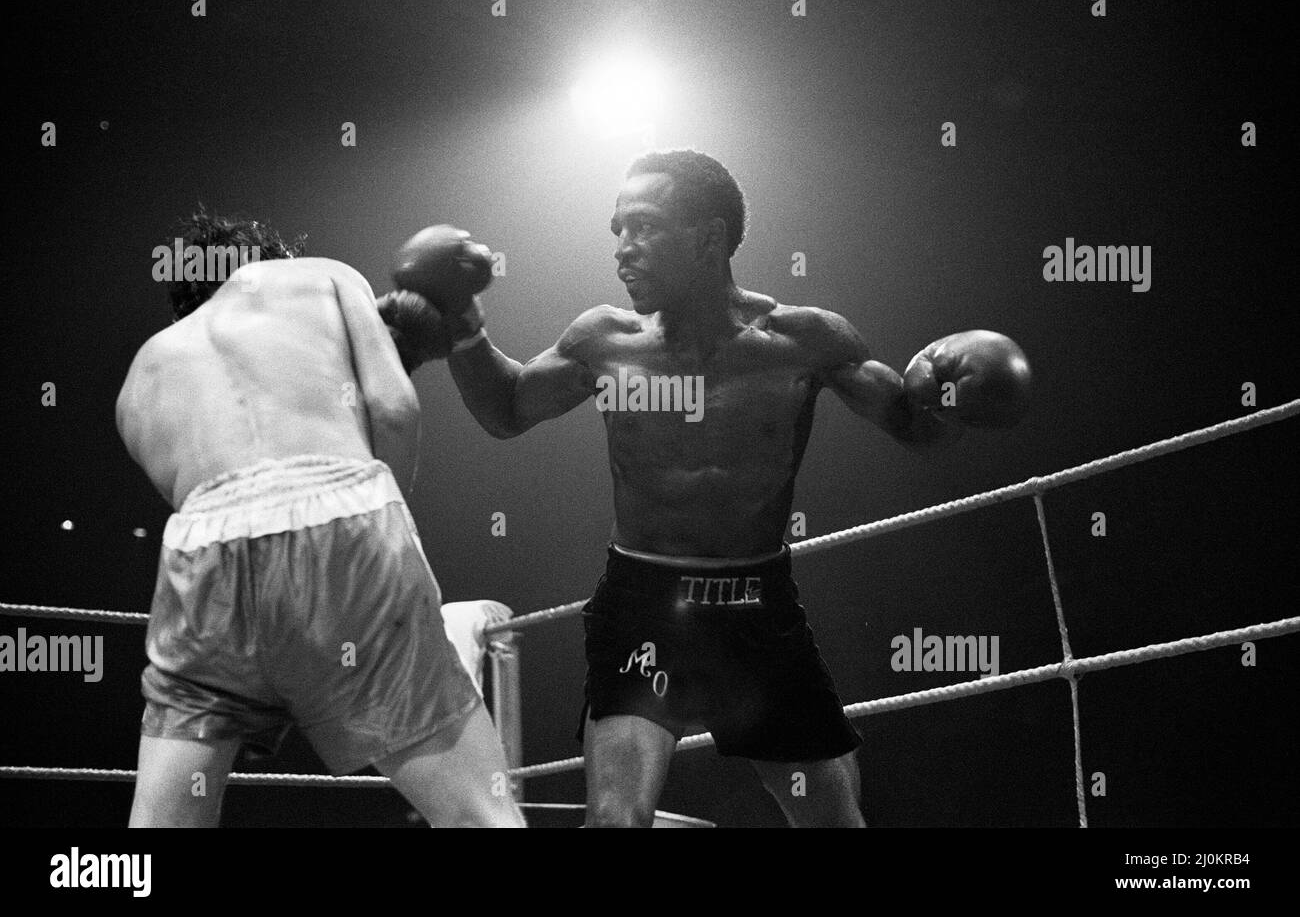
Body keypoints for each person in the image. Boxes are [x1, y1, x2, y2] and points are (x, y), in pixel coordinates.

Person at [440, 150, 1031, 827]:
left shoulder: (805, 341)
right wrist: (463, 327)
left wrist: (950, 393)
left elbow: (914, 427)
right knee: (615, 822)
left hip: (756, 609)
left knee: (835, 825)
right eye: (617, 230)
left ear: (709, 237)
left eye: (642, 227)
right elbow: (508, 409)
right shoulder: (606, 340)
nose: (623, 250)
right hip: (644, 606)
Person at [116, 210, 524, 827]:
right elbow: (392, 406)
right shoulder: (318, 277)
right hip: (343, 524)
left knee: (159, 828)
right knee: (478, 814)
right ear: (270, 261)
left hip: (201, 561)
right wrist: (390, 551)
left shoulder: (140, 377)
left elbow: (219, 512)